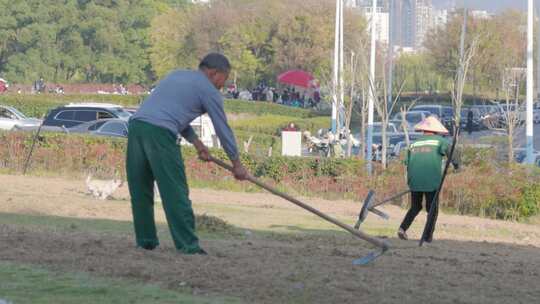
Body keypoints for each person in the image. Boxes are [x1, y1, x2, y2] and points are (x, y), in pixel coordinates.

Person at [127, 53, 249, 255]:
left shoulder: (177, 75)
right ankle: (188, 246)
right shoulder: (209, 90)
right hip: (160, 134)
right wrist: (237, 163)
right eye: (224, 79)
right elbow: (222, 129)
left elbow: (171, 113)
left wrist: (197, 143)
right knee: (175, 191)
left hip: (137, 126)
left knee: (140, 189)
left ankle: (146, 241)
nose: (223, 85)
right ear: (213, 73)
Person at [397, 116, 451, 243]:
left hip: (414, 181)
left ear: (423, 130)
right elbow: (451, 153)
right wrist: (457, 165)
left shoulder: (414, 144)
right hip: (431, 181)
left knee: (415, 207)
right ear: (437, 130)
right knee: (432, 209)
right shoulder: (439, 141)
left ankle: (402, 228)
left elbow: (407, 162)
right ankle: (427, 237)